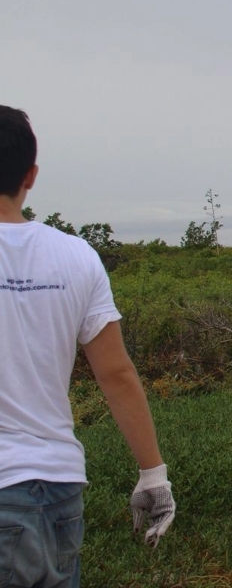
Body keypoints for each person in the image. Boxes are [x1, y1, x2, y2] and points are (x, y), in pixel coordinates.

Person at [0, 105, 176, 587]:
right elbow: (116, 374)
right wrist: (153, 475)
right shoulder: (76, 256)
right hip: (61, 490)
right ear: (30, 175)